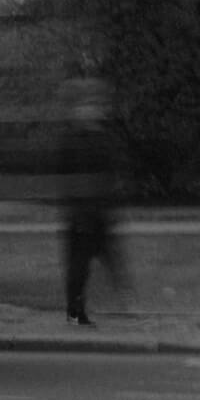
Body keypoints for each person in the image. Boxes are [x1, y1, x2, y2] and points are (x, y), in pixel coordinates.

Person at [59, 77, 127, 327]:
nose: (93, 110)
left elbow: (109, 172)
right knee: (80, 266)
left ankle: (121, 303)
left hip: (98, 211)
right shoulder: (73, 140)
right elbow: (68, 176)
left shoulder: (100, 138)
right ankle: (76, 313)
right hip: (82, 214)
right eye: (88, 105)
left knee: (110, 260)